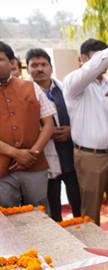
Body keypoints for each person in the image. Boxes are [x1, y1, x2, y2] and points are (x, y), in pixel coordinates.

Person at [63, 39, 108, 229]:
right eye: (100, 57)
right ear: (83, 59)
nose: (105, 62)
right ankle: (94, 254)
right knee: (90, 210)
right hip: (90, 157)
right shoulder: (75, 84)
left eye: (106, 57)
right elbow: (89, 70)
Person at [25, 48, 81, 222]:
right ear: (27, 69)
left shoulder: (65, 90)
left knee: (79, 203)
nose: (39, 69)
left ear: (51, 67)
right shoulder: (24, 94)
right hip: (44, 161)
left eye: (43, 64)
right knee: (52, 210)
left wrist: (71, 131)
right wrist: (45, 133)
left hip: (69, 157)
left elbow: (81, 116)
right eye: (34, 65)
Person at [0, 41, 55, 207]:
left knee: (40, 213)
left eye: (0, 59)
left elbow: (48, 124)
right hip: (3, 170)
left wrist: (34, 153)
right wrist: (16, 154)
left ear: (12, 63)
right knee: (8, 219)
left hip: (35, 165)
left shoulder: (32, 87)